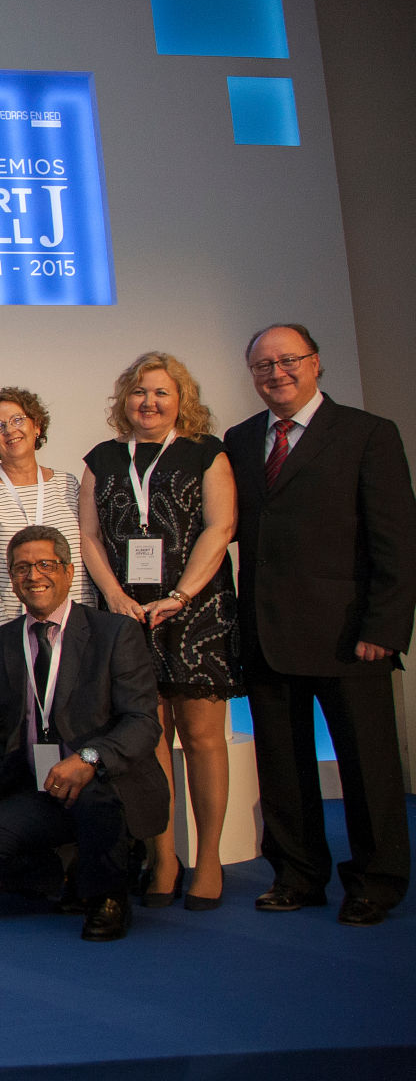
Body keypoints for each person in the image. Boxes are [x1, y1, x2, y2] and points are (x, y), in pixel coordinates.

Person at [226, 323, 416, 926]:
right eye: (263, 366)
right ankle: (298, 875)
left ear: (315, 363)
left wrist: (384, 627)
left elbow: (396, 542)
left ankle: (376, 881)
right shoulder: (240, 439)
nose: (276, 373)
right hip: (265, 635)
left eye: (288, 361)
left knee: (370, 771)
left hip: (349, 639)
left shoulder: (367, 434)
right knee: (282, 770)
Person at [77, 351, 240, 910]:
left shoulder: (206, 453)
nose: (149, 402)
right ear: (124, 399)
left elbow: (221, 527)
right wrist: (116, 597)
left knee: (201, 738)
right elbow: (89, 536)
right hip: (124, 616)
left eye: (161, 393)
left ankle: (210, 858)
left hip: (195, 612)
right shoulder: (102, 457)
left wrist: (181, 594)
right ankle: (164, 857)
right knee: (150, 742)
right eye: (139, 392)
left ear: (181, 400)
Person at [0, 527, 167, 942]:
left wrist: (88, 759)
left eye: (45, 564)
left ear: (68, 572)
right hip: (37, 789)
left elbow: (143, 722)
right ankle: (68, 871)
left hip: (102, 782)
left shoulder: (114, 633)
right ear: (11, 579)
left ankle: (108, 896)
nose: (34, 576)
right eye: (22, 568)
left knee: (95, 795)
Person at [0, 387, 94, 644]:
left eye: (17, 420)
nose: (10, 430)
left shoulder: (68, 484)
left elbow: (84, 560)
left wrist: (87, 623)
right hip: (14, 633)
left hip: (75, 630)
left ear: (37, 426)